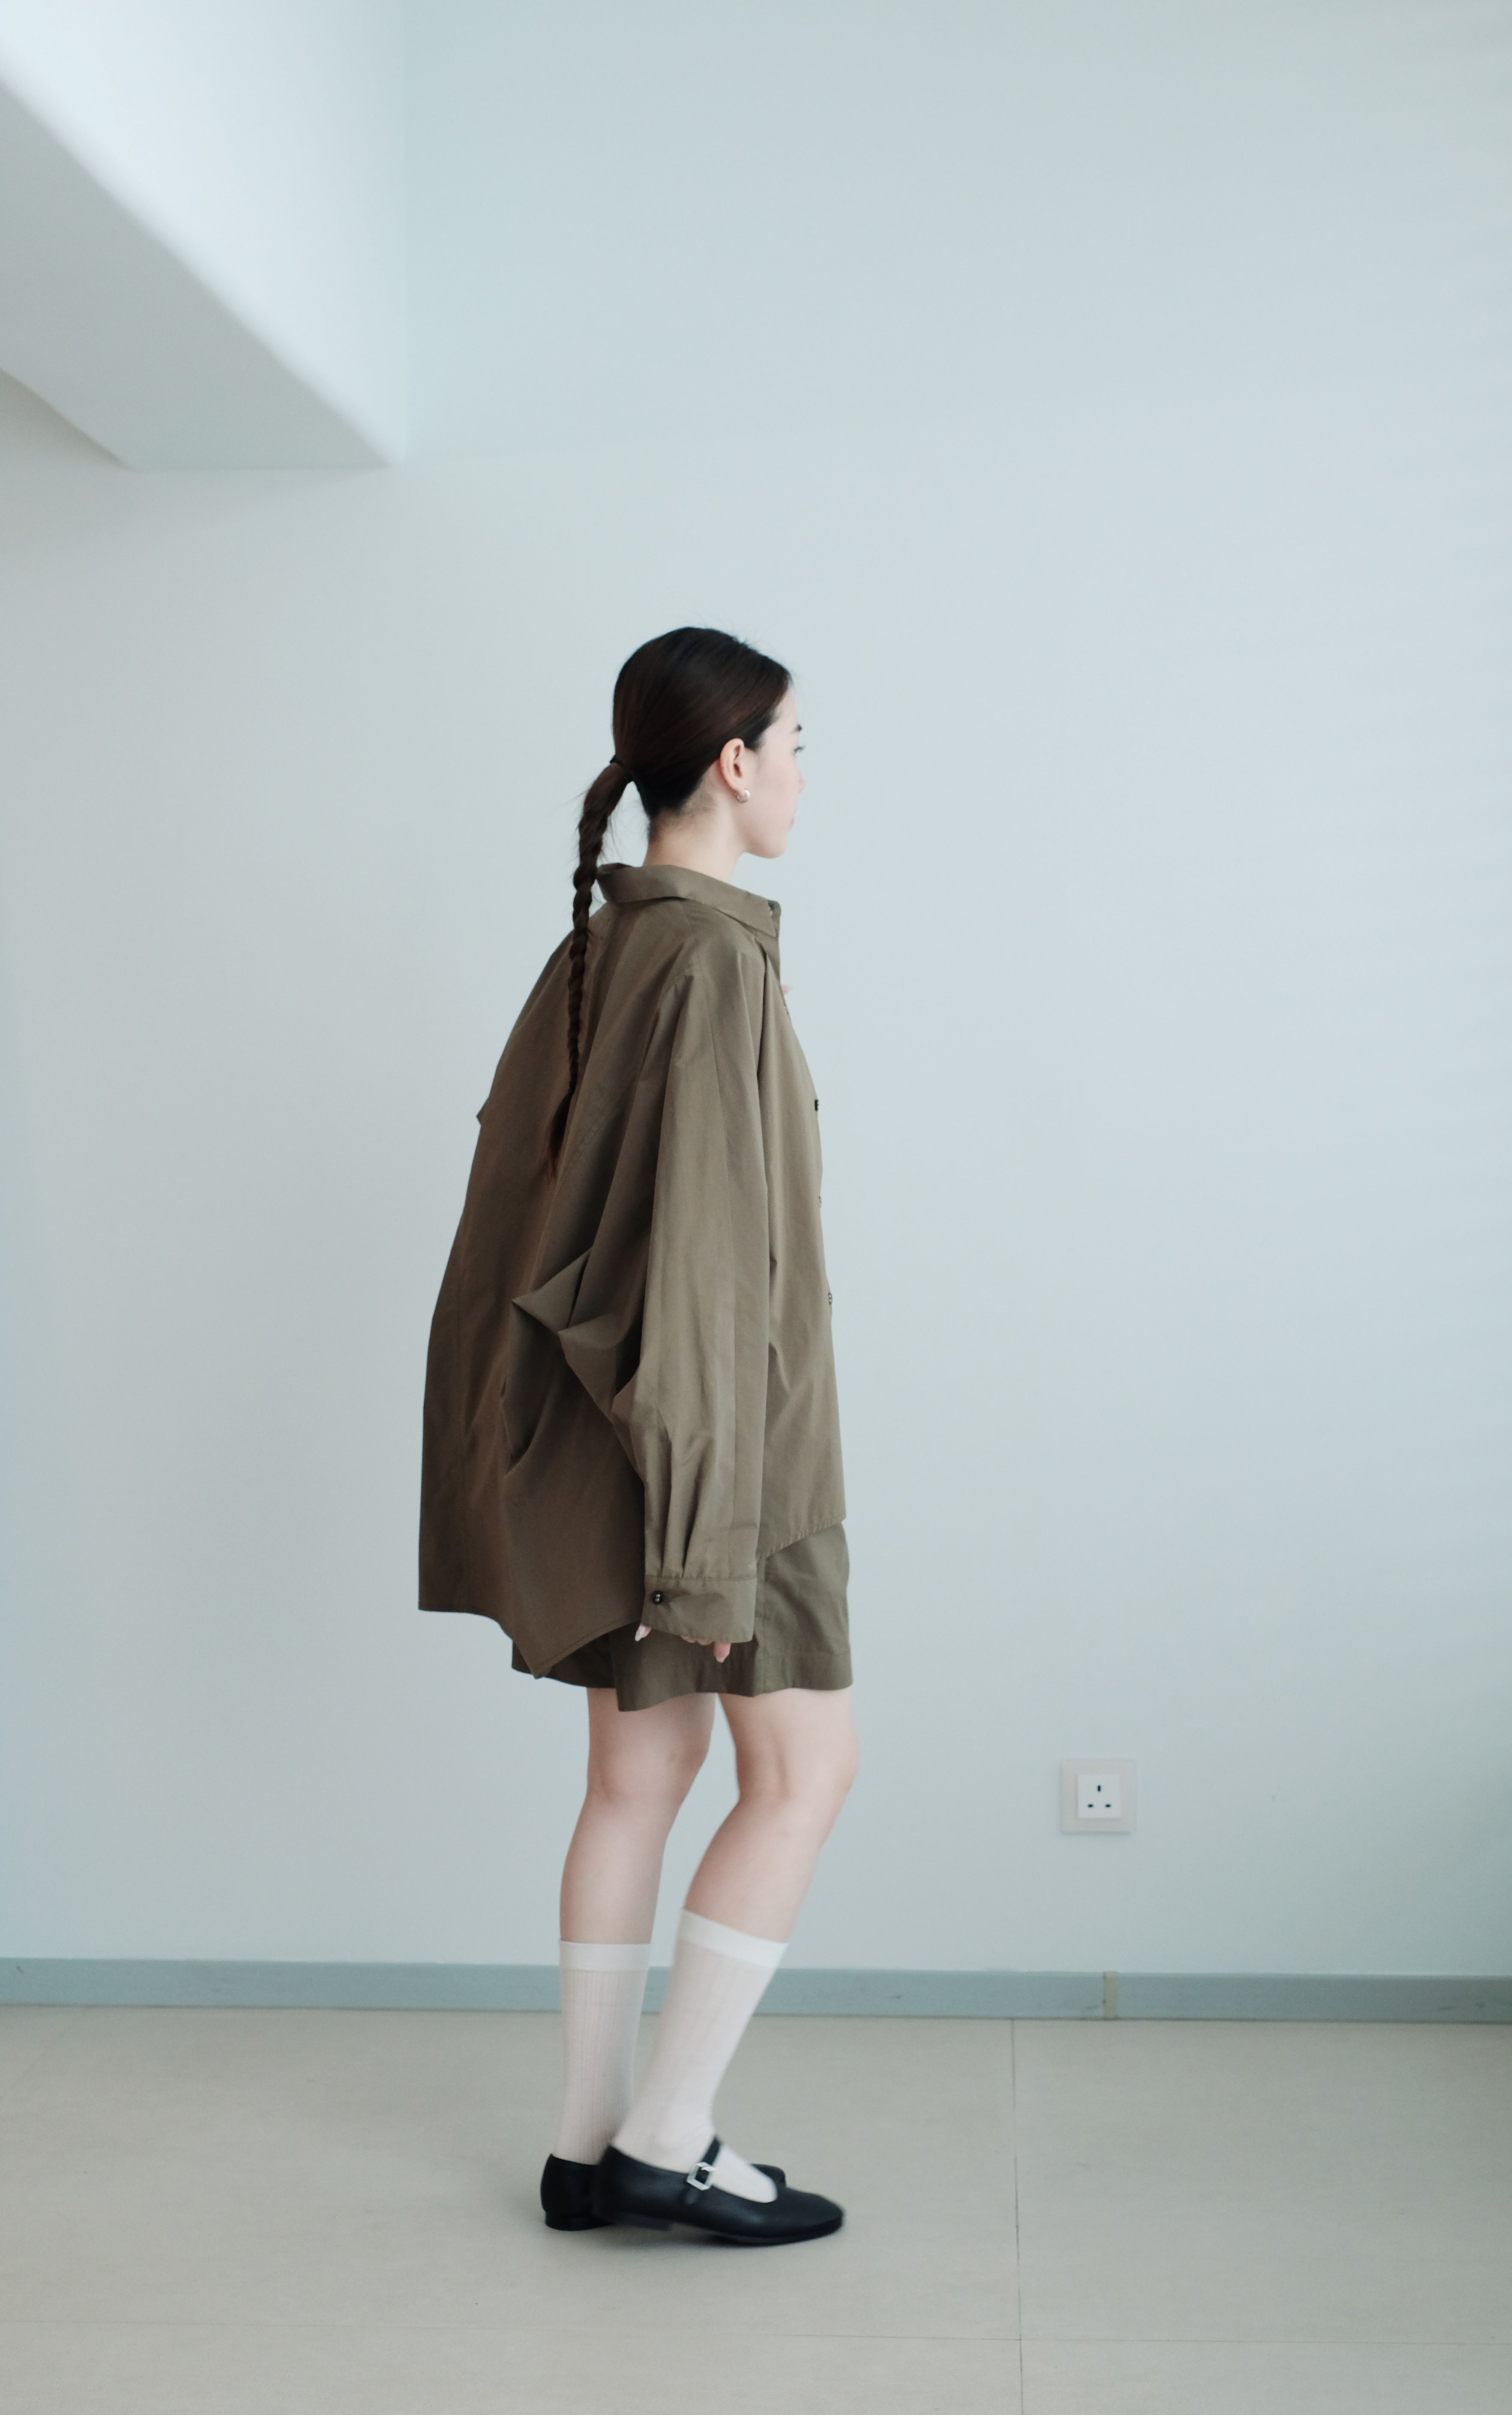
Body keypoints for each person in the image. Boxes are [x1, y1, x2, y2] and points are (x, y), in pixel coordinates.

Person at [419, 627, 856, 2245]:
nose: (806, 779)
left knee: (635, 1777)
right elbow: (704, 1275)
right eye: (797, 748)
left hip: (617, 1453)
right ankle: (668, 2139)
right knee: (805, 1771)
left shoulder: (603, 945)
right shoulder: (716, 960)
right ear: (733, 765)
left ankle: (582, 2149)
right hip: (720, 1468)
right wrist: (709, 1540)